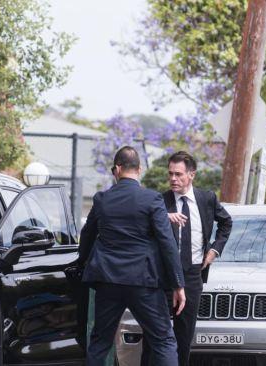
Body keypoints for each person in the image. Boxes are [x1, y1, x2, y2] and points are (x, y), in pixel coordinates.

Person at [79, 146, 186, 366]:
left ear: (117, 169)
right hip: (143, 281)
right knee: (163, 340)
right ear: (139, 169)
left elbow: (87, 234)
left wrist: (83, 264)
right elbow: (167, 243)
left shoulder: (102, 199)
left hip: (108, 281)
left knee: (100, 341)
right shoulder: (152, 199)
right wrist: (178, 284)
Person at [141, 151, 233, 366]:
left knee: (184, 337)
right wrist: (164, 216)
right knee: (153, 337)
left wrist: (214, 250)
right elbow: (142, 224)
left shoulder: (206, 199)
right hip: (162, 278)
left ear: (192, 174)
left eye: (179, 174)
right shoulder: (159, 201)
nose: (173, 179)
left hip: (192, 275)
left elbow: (226, 223)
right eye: (170, 174)